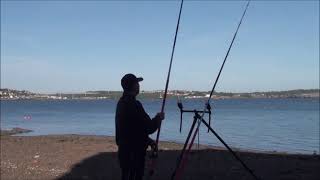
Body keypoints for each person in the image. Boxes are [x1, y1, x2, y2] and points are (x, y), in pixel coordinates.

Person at [115, 73, 165, 180]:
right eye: (137, 83)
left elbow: (133, 130)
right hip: (134, 154)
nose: (139, 85)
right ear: (133, 86)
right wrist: (158, 118)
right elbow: (149, 127)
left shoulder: (121, 103)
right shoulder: (134, 105)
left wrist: (149, 141)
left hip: (124, 152)